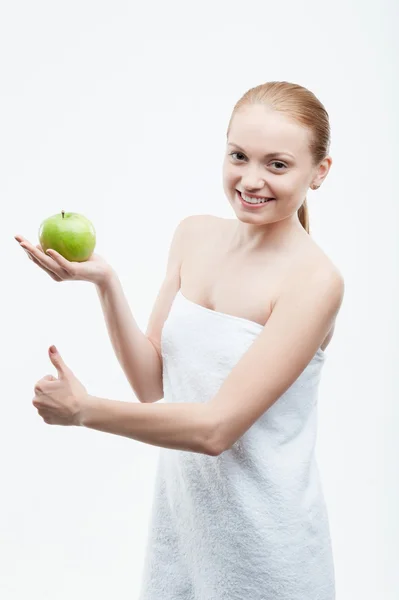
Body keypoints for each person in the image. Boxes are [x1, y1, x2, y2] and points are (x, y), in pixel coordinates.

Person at [15, 80, 344, 599]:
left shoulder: (314, 282)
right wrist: (105, 283)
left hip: (268, 555)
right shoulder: (194, 234)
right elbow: (151, 383)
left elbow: (215, 430)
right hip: (184, 540)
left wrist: (84, 410)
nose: (251, 179)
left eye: (277, 164)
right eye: (239, 155)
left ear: (319, 172)